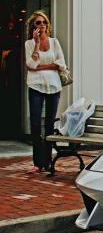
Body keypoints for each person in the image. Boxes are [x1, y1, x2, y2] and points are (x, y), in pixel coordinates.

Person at [24, 11, 67, 173]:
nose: (41, 25)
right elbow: (30, 65)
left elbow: (61, 63)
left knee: (49, 124)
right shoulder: (29, 44)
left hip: (54, 87)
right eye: (38, 23)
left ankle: (47, 161)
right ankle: (37, 161)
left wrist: (40, 67)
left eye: (44, 23)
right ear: (33, 26)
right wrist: (36, 44)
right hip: (35, 86)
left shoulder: (54, 42)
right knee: (35, 124)